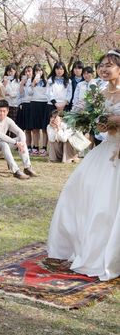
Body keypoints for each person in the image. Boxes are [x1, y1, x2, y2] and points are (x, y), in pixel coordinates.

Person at [48, 49, 120, 281]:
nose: (104, 69)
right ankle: (86, 247)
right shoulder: (99, 93)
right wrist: (99, 124)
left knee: (108, 204)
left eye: (109, 65)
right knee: (79, 192)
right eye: (102, 64)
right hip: (106, 148)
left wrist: (114, 121)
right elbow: (92, 120)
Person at [0, 100, 37, 179]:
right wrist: (15, 143)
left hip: (2, 148)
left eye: (4, 111)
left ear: (8, 111)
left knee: (20, 139)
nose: (2, 113)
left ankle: (27, 167)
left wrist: (22, 143)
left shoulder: (8, 120)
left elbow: (20, 132)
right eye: (0, 111)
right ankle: (16, 171)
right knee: (3, 143)